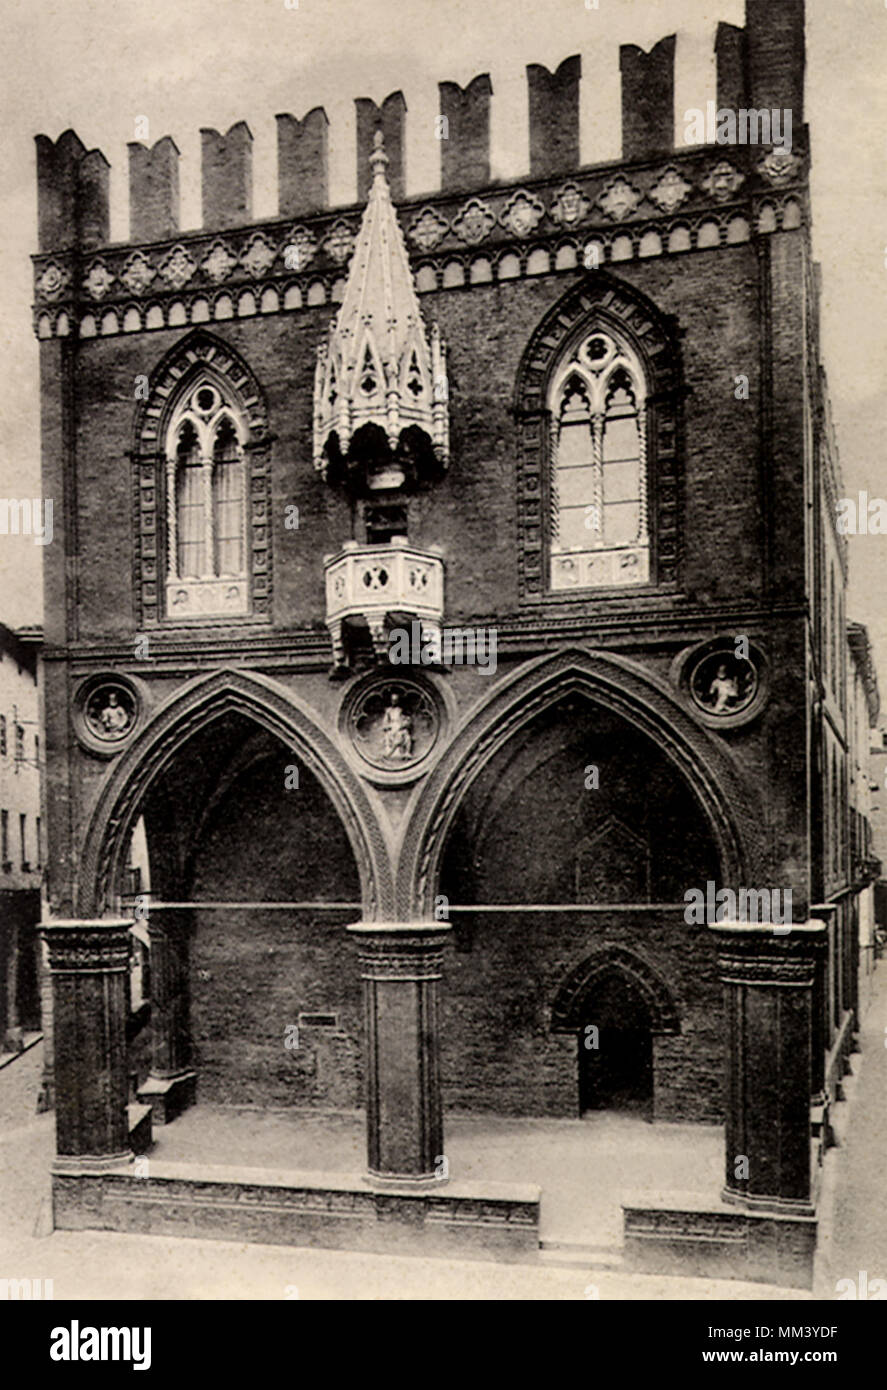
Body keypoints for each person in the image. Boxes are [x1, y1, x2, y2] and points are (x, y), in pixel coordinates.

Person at [381, 692, 412, 759]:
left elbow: (407, 720)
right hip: (392, 728)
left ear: (398, 701)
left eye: (395, 700)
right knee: (394, 736)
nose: (394, 702)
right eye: (392, 700)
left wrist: (403, 724)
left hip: (400, 727)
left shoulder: (401, 710)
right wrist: (388, 727)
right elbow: (385, 722)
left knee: (406, 735)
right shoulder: (388, 711)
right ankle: (389, 753)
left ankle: (407, 752)